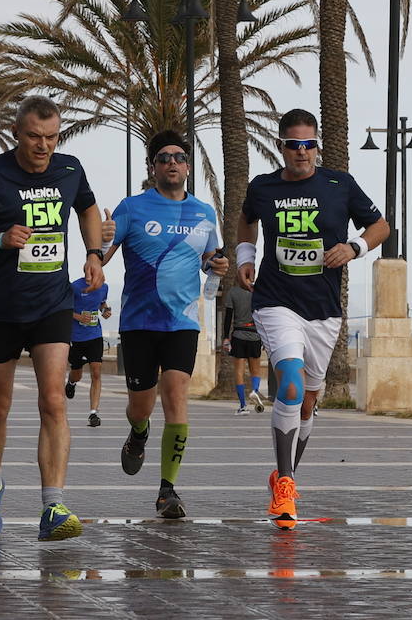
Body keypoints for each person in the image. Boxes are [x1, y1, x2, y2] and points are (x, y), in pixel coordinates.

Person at [0, 94, 105, 542]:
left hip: (52, 304)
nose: (43, 147)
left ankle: (53, 505)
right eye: (35, 137)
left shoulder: (70, 169)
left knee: (53, 400)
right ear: (16, 132)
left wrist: (93, 254)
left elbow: (88, 207)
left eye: (51, 138)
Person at [237, 109, 389, 529]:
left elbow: (380, 226)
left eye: (309, 144)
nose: (302, 152)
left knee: (306, 401)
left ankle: (285, 478)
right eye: (293, 145)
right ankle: (285, 483)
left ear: (317, 146)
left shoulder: (339, 184)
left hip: (323, 311)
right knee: (288, 381)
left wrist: (355, 248)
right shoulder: (263, 187)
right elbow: (246, 220)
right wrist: (245, 257)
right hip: (274, 300)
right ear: (281, 145)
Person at [102, 131, 226, 518]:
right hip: (139, 322)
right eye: (163, 157)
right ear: (152, 167)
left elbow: (210, 260)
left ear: (188, 166)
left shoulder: (204, 213)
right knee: (141, 406)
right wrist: (100, 238)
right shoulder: (132, 208)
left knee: (176, 395)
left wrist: (217, 267)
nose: (171, 162)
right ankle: (138, 433)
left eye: (178, 156)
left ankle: (167, 489)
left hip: (183, 321)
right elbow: (102, 257)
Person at [65, 276, 112, 428]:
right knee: (77, 373)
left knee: (96, 372)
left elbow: (102, 303)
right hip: (76, 336)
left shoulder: (104, 287)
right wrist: (79, 317)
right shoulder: (75, 287)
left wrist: (105, 310)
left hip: (95, 335)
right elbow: (65, 307)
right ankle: (71, 382)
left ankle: (93, 413)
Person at [222, 281, 265, 415]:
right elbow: (264, 315)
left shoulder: (233, 292)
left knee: (239, 371)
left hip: (238, 335)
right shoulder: (259, 292)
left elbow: (228, 315)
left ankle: (243, 406)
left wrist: (226, 337)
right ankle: (255, 391)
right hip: (255, 335)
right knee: (255, 370)